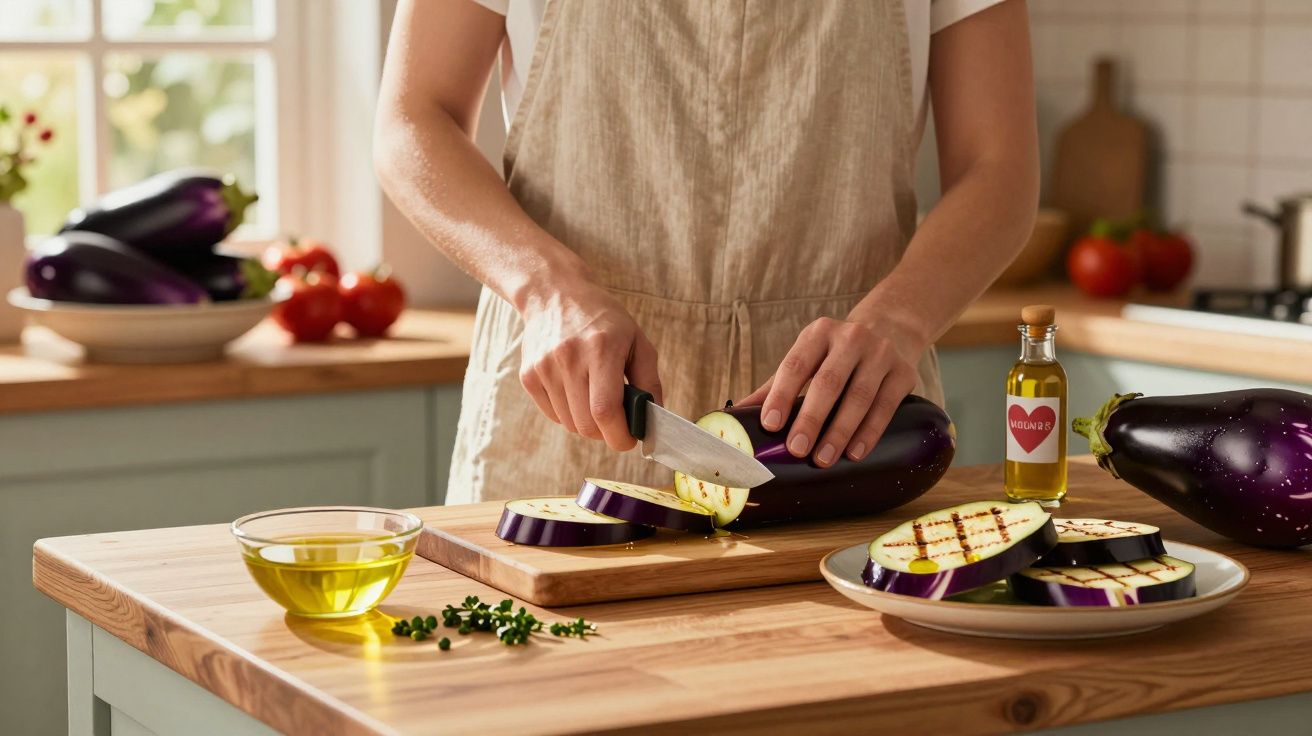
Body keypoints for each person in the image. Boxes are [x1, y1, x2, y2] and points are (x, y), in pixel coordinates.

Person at [375, 0, 1038, 504]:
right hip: (572, 400)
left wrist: (900, 319)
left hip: (840, 420)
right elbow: (412, 119)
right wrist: (545, 287)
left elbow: (999, 168)